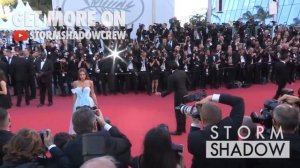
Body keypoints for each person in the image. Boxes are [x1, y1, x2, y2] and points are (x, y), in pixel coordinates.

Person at [188, 93, 244, 168]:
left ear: (202, 120)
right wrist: (211, 97)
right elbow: (239, 102)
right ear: (220, 115)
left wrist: (195, 123)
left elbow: (194, 148)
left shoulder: (195, 138)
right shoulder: (231, 127)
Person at [63, 107, 131, 168]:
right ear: (95, 125)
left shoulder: (68, 147)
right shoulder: (108, 140)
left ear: (74, 128)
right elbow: (126, 143)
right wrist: (104, 123)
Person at [156, 61, 189, 135]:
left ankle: (179, 131)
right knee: (183, 111)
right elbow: (188, 82)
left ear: (170, 68)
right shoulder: (183, 72)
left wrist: (161, 94)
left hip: (179, 95)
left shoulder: (171, 76)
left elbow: (169, 90)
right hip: (185, 93)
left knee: (178, 113)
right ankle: (183, 129)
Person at [69, 68, 98, 134]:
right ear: (78, 75)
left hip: (89, 102)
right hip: (78, 102)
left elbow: (93, 93)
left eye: (83, 74)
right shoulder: (75, 83)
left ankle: (91, 131)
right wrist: (73, 105)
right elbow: (75, 95)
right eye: (80, 75)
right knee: (79, 118)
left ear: (86, 75)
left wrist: (96, 103)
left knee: (90, 117)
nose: (82, 76)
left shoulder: (90, 82)